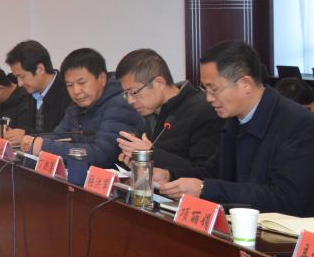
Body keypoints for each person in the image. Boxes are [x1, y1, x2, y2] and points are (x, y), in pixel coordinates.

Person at [161, 41, 314, 215]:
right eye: (206, 90)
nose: (208, 98)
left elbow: (285, 199)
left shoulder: (299, 124)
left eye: (214, 89)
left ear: (245, 84)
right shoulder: (235, 119)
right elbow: (213, 172)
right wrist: (168, 175)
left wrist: (205, 189)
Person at [22, 48, 143, 183]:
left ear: (102, 79)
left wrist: (44, 146)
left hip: (112, 187)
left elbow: (102, 155)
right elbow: (59, 135)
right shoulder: (77, 105)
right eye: (69, 85)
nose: (76, 91)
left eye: (82, 83)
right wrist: (33, 140)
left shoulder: (120, 105)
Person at [114, 48, 222, 179]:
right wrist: (138, 163)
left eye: (134, 92)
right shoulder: (147, 113)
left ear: (159, 83)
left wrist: (151, 153)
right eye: (126, 94)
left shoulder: (205, 110)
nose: (130, 101)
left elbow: (205, 173)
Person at [3, 40, 71, 145]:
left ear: (40, 69)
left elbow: (65, 136)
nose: (20, 84)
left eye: (22, 76)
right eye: (17, 78)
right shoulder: (30, 92)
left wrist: (28, 135)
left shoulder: (68, 91)